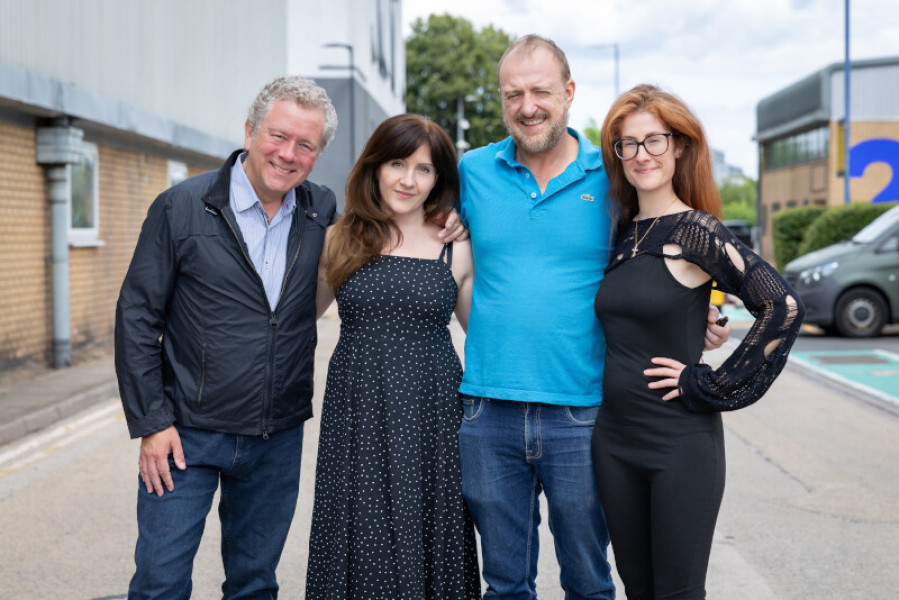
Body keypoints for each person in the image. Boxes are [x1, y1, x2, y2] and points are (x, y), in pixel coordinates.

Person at [114, 76, 463, 599]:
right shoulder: (181, 206)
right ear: (250, 131)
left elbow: (386, 249)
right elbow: (138, 316)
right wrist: (152, 422)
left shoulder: (322, 215)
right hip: (186, 433)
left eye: (305, 144)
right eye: (278, 136)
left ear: (318, 154)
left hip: (274, 437)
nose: (288, 153)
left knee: (255, 585)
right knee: (160, 583)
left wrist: (451, 219)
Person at [456, 35, 730, 599]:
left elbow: (661, 247)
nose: (527, 106)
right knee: (503, 584)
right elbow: (429, 234)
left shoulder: (613, 176)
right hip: (488, 409)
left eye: (540, 91)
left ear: (569, 92)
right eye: (513, 94)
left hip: (584, 411)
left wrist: (704, 310)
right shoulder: (472, 171)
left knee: (588, 581)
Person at [591, 84, 805, 599]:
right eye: (628, 144)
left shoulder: (696, 232)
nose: (642, 154)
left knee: (678, 593)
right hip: (614, 443)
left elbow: (782, 307)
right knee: (638, 590)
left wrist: (711, 383)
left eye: (654, 140)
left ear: (679, 146)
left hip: (679, 444)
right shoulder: (621, 232)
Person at [305, 114, 479, 599]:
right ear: (375, 167)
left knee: (429, 526)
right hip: (356, 414)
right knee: (358, 529)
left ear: (438, 179)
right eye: (398, 164)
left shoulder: (456, 247)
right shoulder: (338, 239)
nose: (408, 180)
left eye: (424, 169)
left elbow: (487, 337)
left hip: (433, 415)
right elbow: (294, 320)